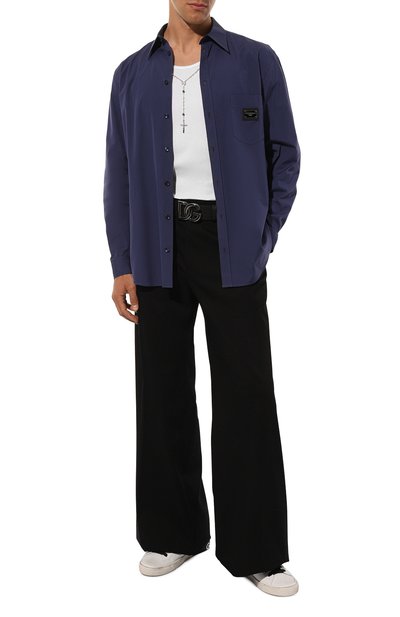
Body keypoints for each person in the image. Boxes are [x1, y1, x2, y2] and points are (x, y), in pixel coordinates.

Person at [103, 0, 301, 597]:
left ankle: (257, 550)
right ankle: (174, 533)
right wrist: (122, 262)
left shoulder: (256, 61)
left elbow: (284, 154)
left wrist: (263, 235)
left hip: (234, 245)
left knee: (246, 392)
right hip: (155, 243)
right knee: (161, 390)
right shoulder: (131, 73)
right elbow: (118, 171)